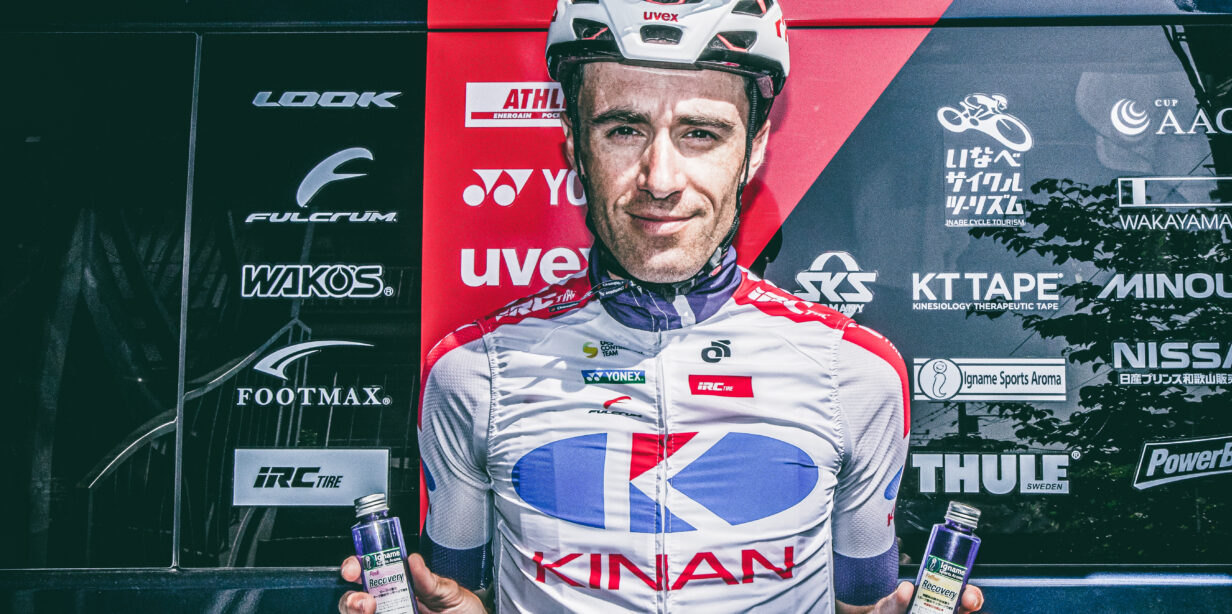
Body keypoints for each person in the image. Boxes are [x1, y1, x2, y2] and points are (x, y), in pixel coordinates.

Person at [341, 1, 984, 612]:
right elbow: (457, 594)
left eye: (700, 133)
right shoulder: (472, 371)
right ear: (574, 141)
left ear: (756, 146)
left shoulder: (857, 373)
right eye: (624, 129)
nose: (661, 179)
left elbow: (860, 604)